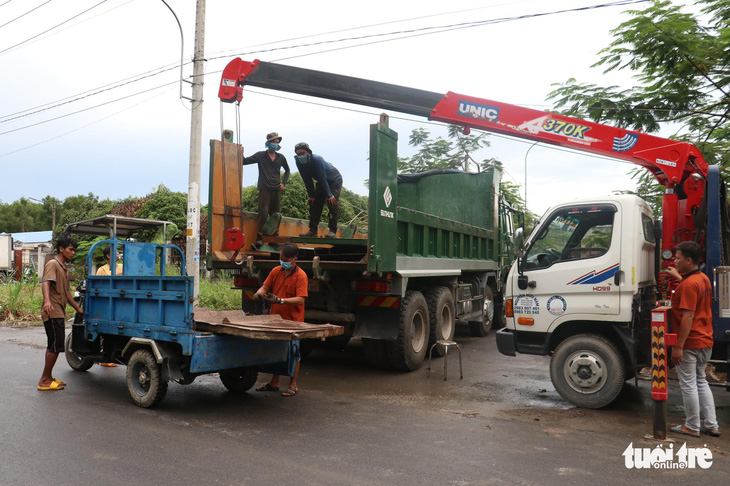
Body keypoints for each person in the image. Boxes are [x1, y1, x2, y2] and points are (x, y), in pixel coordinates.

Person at [667, 241, 720, 438]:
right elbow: (691, 289)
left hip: (690, 342)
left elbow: (688, 316)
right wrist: (679, 277)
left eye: (678, 258)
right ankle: (712, 424)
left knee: (688, 383)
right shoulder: (702, 278)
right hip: (705, 339)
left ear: (689, 260)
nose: (675, 261)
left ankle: (692, 425)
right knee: (700, 381)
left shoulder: (689, 284)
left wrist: (678, 346)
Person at [253, 243, 308, 397]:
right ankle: (274, 382)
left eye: (285, 259)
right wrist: (259, 293)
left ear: (294, 259)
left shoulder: (301, 276)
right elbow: (265, 287)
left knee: (294, 353)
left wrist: (280, 300)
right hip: (276, 320)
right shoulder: (276, 271)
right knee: (276, 350)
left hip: (293, 322)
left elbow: (300, 300)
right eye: (280, 258)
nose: (282, 261)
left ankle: (293, 384)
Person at [38, 236, 83, 391]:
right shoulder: (53, 264)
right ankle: (44, 379)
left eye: (74, 250)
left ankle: (49, 377)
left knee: (55, 345)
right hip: (52, 311)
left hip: (58, 311)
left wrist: (78, 309)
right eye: (71, 249)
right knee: (55, 346)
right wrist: (47, 301)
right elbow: (46, 282)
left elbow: (66, 292)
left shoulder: (64, 268)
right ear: (61, 249)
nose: (73, 252)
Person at [243, 132, 290, 246]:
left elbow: (287, 170)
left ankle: (274, 237)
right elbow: (244, 161)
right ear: (268, 143)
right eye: (273, 142)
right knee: (263, 213)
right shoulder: (260, 156)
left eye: (277, 142)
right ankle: (259, 237)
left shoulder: (281, 157)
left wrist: (283, 183)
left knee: (276, 214)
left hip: (276, 189)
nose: (275, 144)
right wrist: (240, 151)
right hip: (264, 188)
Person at [294, 142, 343, 238]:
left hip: (334, 180)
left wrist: (329, 195)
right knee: (314, 203)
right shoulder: (299, 162)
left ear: (309, 153)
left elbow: (322, 177)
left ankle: (332, 231)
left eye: (303, 153)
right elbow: (306, 179)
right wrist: (311, 195)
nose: (300, 156)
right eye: (298, 154)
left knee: (331, 202)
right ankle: (312, 231)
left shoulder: (317, 160)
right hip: (321, 182)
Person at [95, 245, 123, 366]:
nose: (118, 254)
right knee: (108, 331)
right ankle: (106, 358)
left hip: (121, 301)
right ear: (108, 256)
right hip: (107, 303)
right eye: (116, 253)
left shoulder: (122, 267)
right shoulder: (102, 270)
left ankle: (113, 356)